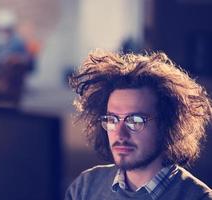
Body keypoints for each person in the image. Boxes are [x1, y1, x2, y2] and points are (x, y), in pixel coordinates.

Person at [65, 49, 212, 200]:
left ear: (167, 124)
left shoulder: (199, 197)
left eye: (135, 121)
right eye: (112, 120)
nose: (120, 133)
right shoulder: (85, 187)